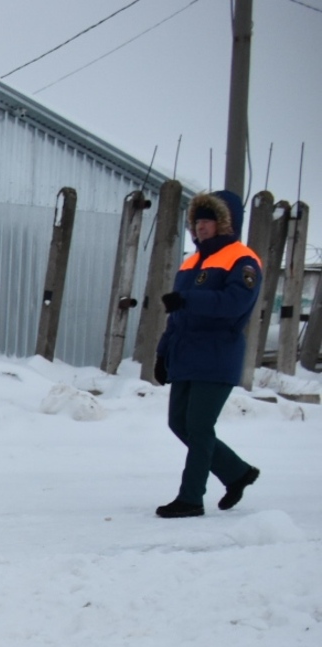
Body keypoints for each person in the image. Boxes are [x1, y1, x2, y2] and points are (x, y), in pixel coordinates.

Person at [152, 190, 263, 518]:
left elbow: (234, 303)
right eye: (198, 221)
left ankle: (191, 498)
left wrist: (189, 300)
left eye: (209, 220)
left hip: (217, 355)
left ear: (225, 224)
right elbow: (177, 316)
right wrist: (162, 353)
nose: (201, 226)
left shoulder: (243, 259)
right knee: (179, 423)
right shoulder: (191, 262)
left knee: (199, 427)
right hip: (186, 355)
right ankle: (237, 473)